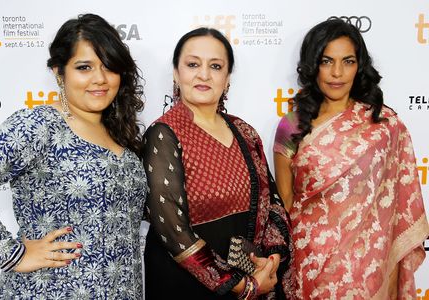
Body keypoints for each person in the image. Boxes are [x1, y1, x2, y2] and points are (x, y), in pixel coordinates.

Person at [274, 18, 429, 299]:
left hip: (367, 268)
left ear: (360, 66)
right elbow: (285, 203)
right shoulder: (292, 124)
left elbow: (398, 205)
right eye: (326, 61)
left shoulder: (384, 125)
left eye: (347, 61)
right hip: (309, 264)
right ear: (312, 65)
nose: (337, 73)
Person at [0, 14, 147, 299]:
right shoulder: (40, 126)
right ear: (58, 71)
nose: (100, 79)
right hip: (49, 290)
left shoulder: (117, 132)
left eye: (109, 67)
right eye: (84, 67)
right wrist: (12, 254)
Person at [141, 27, 295, 299]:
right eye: (192, 64)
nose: (204, 74)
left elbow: (273, 203)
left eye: (215, 66)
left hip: (254, 273)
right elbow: (173, 231)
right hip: (186, 284)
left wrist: (270, 260)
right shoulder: (163, 135)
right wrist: (240, 285)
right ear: (176, 73)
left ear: (227, 77)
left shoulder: (244, 131)